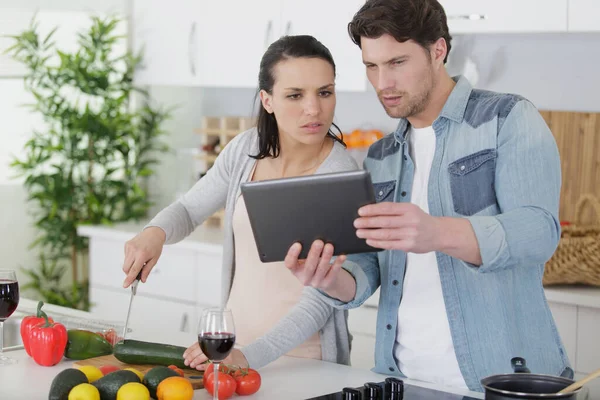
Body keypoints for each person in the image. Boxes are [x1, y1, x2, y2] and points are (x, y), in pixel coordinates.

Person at [282, 0, 571, 392]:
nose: (383, 82)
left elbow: (538, 231)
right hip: (402, 380)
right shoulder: (381, 156)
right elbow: (370, 265)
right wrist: (330, 279)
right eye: (371, 66)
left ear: (438, 51)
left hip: (499, 380)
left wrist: (436, 233)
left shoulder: (506, 119)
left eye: (397, 63)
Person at [121, 35, 358, 370]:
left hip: (303, 362)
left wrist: (249, 356)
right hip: (231, 349)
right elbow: (189, 209)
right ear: (268, 100)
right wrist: (155, 232)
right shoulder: (246, 149)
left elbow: (321, 299)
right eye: (294, 95)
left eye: (325, 92)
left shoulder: (339, 174)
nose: (313, 109)